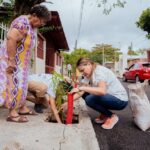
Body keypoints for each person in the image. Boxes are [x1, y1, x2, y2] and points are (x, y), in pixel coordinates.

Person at [0, 5, 51, 123]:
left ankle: (22, 108)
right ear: (34, 15)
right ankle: (12, 113)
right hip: (13, 62)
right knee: (14, 85)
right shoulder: (22, 23)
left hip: (21, 64)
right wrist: (12, 61)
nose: (41, 24)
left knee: (22, 86)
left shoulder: (31, 25)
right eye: (41, 21)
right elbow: (11, 38)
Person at [62, 58, 128, 129]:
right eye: (80, 71)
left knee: (89, 98)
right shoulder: (89, 75)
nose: (82, 73)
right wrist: (68, 102)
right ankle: (105, 114)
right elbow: (81, 92)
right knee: (85, 94)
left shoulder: (99, 71)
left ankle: (111, 116)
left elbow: (102, 91)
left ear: (89, 64)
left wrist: (81, 88)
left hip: (120, 100)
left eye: (82, 70)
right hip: (110, 98)